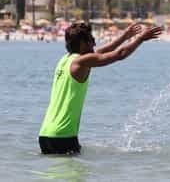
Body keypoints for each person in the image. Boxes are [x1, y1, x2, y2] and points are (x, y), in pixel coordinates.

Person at [38, 21, 163, 154]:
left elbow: (101, 52)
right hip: (63, 136)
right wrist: (140, 39)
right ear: (82, 43)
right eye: (91, 40)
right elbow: (119, 54)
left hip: (45, 134)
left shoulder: (65, 60)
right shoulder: (81, 62)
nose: (94, 44)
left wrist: (124, 36)